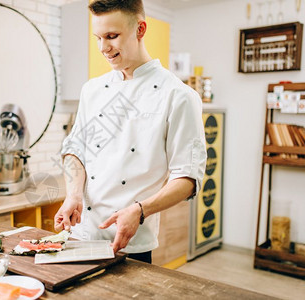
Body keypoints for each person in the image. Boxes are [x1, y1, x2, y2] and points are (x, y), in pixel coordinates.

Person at [54, 0, 207, 264]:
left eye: (112, 36)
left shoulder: (179, 96)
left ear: (140, 29)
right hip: (81, 234)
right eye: (98, 38)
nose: (104, 48)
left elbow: (188, 177)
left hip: (130, 242)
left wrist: (140, 210)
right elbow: (75, 150)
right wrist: (73, 194)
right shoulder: (92, 90)